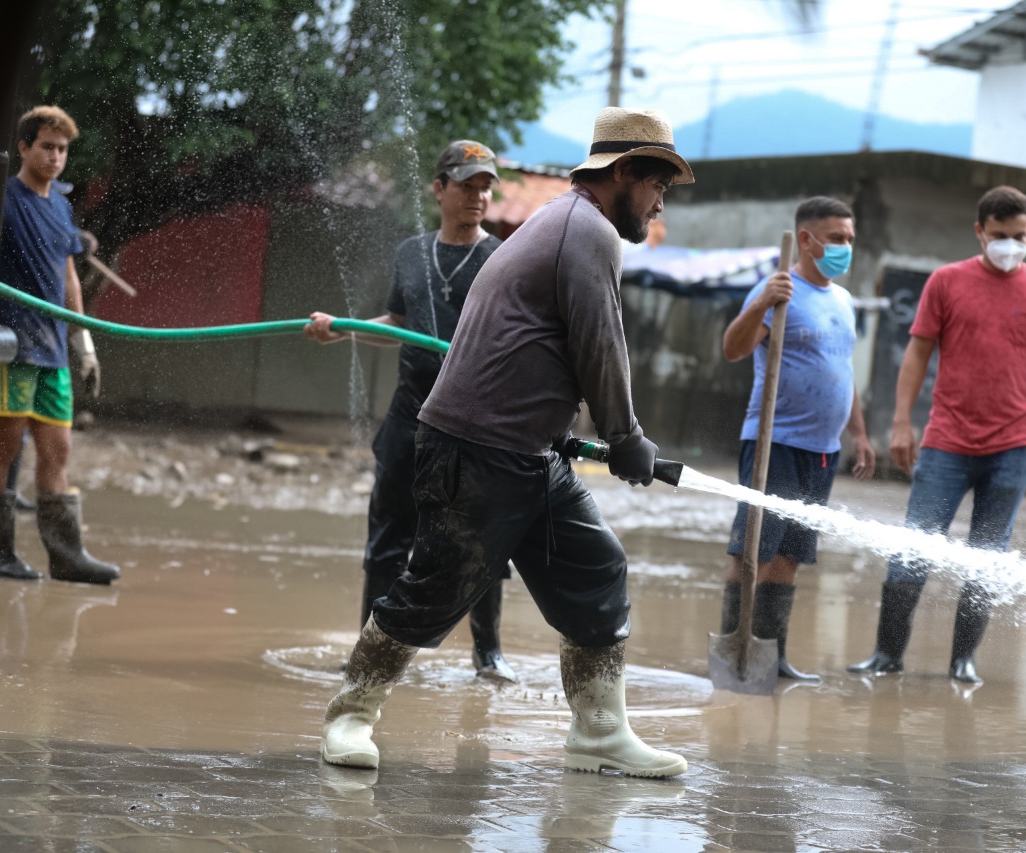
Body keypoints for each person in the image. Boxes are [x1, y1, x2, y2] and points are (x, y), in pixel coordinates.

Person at [318, 107, 694, 778]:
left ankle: (600, 732)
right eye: (658, 182)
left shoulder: (565, 221)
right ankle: (350, 714)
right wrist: (626, 436)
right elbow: (599, 343)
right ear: (625, 172)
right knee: (434, 587)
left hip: (531, 451)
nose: (662, 199)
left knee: (596, 567)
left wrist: (599, 434)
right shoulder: (586, 231)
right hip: (475, 447)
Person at [304, 140, 516, 681]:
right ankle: (368, 650)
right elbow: (399, 323)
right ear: (439, 188)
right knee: (388, 537)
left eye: (485, 186)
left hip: (476, 424)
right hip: (410, 415)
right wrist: (344, 330)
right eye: (467, 185)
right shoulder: (411, 253)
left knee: (481, 539)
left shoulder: (502, 260)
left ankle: (487, 653)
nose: (478, 195)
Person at [848, 185, 1026, 686]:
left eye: (1020, 236)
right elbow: (917, 354)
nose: (1010, 245)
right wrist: (902, 422)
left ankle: (962, 661)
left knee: (986, 559)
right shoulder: (946, 282)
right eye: (999, 235)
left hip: (1013, 448)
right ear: (979, 232)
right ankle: (886, 655)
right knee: (913, 550)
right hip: (946, 442)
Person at [719, 196, 876, 682]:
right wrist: (763, 304)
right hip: (775, 442)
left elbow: (843, 370)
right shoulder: (778, 291)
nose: (844, 248)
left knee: (791, 554)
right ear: (806, 240)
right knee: (752, 551)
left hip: (823, 450)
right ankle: (732, 650)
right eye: (836, 239)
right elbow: (732, 349)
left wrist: (860, 433)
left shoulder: (845, 300)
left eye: (849, 239)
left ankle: (774, 655)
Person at [0, 105, 115, 585]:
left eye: (62, 150)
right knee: (5, 446)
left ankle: (67, 555)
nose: (55, 157)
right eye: (47, 147)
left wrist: (85, 342)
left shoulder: (61, 206)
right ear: (23, 148)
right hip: (9, 343)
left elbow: (68, 275)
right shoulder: (1, 198)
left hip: (53, 346)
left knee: (58, 451)